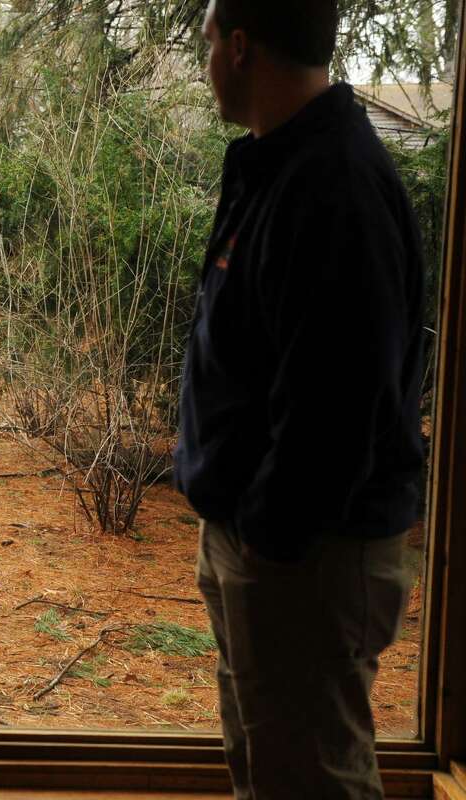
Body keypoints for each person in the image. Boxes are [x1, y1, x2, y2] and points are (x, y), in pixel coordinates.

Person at [174, 0, 425, 797]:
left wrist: (268, 543)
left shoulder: (334, 188)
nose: (204, 58)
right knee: (270, 766)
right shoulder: (278, 163)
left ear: (242, 48)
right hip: (266, 545)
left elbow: (339, 408)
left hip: (305, 561)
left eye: (210, 41)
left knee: (312, 779)